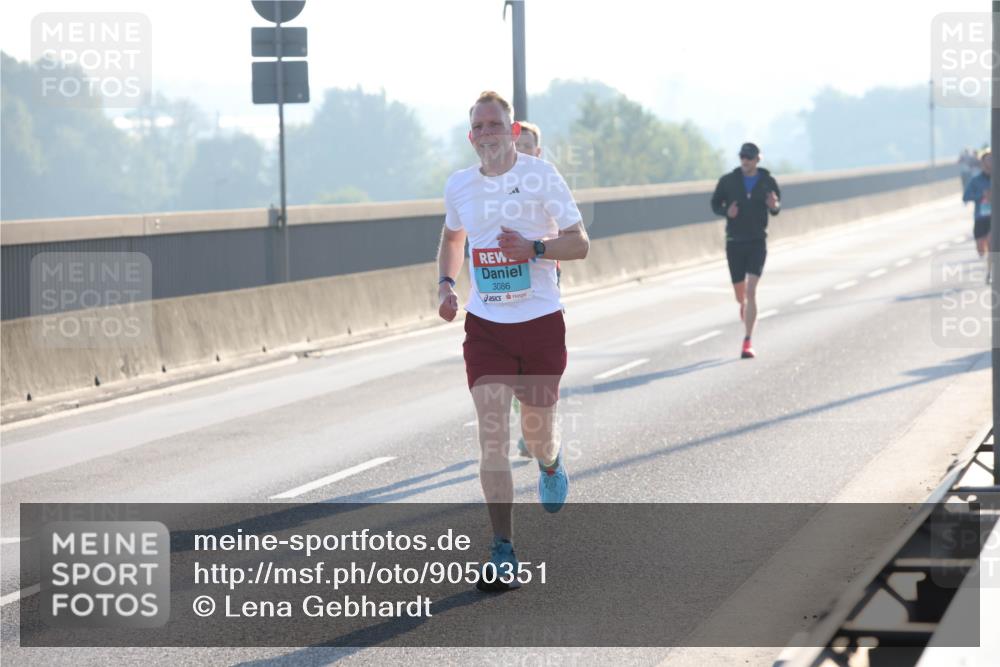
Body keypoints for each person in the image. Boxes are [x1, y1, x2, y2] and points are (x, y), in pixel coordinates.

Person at [437, 91, 589, 591]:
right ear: (471, 137)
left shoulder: (541, 175)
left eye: (494, 124)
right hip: (486, 328)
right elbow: (453, 238)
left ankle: (550, 461)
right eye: (478, 126)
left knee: (537, 433)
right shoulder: (459, 185)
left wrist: (534, 247)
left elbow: (580, 242)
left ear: (513, 129)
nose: (487, 133)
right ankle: (502, 548)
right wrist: (446, 284)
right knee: (492, 437)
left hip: (540, 323)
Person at [710, 142, 781, 359]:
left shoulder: (767, 181)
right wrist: (727, 212)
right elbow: (715, 204)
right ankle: (743, 304)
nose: (745, 161)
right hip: (735, 242)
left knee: (751, 290)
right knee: (740, 294)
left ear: (757, 159)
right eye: (742, 157)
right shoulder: (728, 181)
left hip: (757, 241)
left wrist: (774, 205)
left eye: (749, 157)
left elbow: (776, 207)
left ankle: (747, 341)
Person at [963, 148, 992, 284]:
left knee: (992, 244)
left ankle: (990, 272)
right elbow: (966, 197)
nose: (990, 162)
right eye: (987, 160)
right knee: (981, 249)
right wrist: (981, 195)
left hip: (994, 218)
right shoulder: (976, 180)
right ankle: (988, 265)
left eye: (992, 159)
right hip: (981, 217)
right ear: (983, 163)